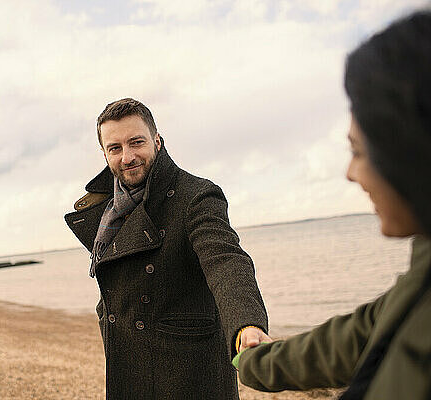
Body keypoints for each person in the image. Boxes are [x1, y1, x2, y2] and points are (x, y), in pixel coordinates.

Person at [234, 10, 431, 400]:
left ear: (408, 149)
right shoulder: (425, 264)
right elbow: (357, 335)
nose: (350, 173)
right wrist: (257, 362)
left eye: (359, 150)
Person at [64, 98, 270, 399]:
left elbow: (225, 260)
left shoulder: (195, 196)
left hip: (186, 370)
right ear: (105, 153)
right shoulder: (107, 208)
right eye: (115, 148)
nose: (127, 156)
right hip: (129, 359)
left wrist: (247, 325)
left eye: (137, 142)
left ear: (157, 141)